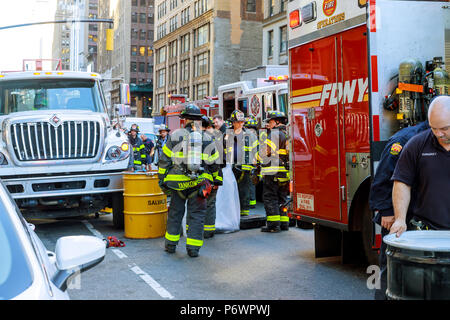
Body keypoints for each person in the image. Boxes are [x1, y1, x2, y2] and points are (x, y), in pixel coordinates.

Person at [368, 120, 429, 300]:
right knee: (390, 268)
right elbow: (382, 178)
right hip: (397, 215)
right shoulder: (404, 140)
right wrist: (387, 211)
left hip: (419, 214)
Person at [158, 104, 219, 257]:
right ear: (199, 119)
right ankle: (193, 249)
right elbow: (214, 164)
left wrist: (162, 180)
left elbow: (164, 161)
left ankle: (170, 244)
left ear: (184, 119)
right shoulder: (207, 138)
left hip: (177, 184)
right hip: (198, 185)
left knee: (175, 213)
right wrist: (214, 182)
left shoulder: (175, 135)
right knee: (197, 216)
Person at [390, 95, 450, 238]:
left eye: (444, 128)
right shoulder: (416, 145)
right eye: (433, 128)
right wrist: (400, 219)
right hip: (427, 233)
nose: (438, 134)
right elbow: (402, 183)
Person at [259, 111, 290, 232]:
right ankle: (284, 224)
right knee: (282, 198)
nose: (269, 125)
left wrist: (256, 157)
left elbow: (266, 151)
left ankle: (273, 226)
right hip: (284, 173)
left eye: (270, 122)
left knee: (270, 197)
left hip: (272, 173)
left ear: (277, 122)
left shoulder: (275, 133)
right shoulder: (286, 134)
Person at [224, 110, 257, 216]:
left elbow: (255, 150)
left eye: (242, 122)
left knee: (244, 191)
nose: (241, 124)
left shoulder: (250, 135)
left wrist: (255, 165)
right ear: (233, 122)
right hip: (230, 167)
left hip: (245, 167)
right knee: (230, 191)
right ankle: (232, 213)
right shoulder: (226, 134)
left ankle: (244, 213)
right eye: (238, 122)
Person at [201, 115, 223, 239]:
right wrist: (217, 181)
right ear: (209, 126)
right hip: (208, 180)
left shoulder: (191, 139)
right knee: (209, 204)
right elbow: (216, 164)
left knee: (196, 205)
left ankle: (194, 229)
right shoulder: (211, 140)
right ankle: (208, 231)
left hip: (194, 181)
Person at [244, 117, 259, 209]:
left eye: (253, 130)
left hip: (250, 163)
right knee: (249, 183)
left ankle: (251, 201)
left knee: (250, 183)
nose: (251, 132)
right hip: (249, 162)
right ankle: (251, 201)